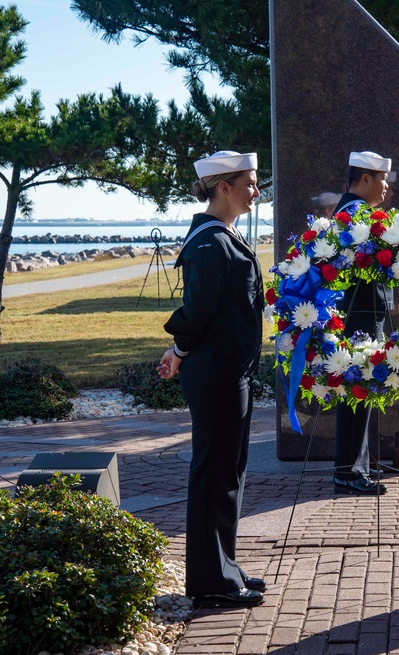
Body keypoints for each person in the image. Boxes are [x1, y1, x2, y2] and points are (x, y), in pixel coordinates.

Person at [158, 150, 266, 608]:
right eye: (250, 183)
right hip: (216, 371)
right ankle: (210, 581)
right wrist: (179, 349)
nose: (257, 192)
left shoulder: (225, 236)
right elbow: (198, 311)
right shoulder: (209, 242)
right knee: (214, 474)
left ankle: (225, 565)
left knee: (229, 472)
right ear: (223, 186)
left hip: (229, 369)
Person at [332, 151, 393, 495]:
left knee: (362, 390)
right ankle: (349, 471)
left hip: (365, 313)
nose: (385, 187)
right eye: (382, 179)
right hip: (359, 315)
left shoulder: (354, 213)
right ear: (366, 179)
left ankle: (357, 464)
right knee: (357, 389)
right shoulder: (354, 216)